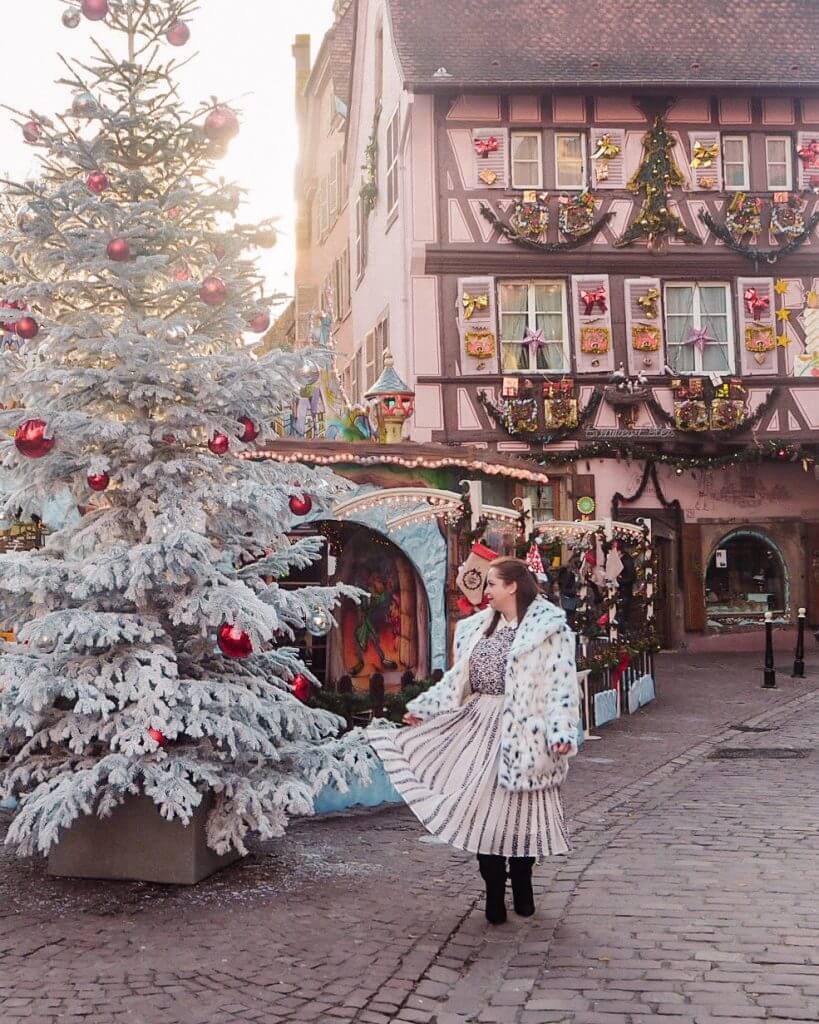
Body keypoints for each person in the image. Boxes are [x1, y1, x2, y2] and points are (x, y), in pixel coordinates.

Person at [368, 558, 580, 925]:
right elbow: (456, 680)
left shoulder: (550, 629)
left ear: (513, 586)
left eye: (493, 584)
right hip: (478, 725)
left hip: (526, 729)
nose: (487, 592)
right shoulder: (474, 629)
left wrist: (561, 733)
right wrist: (427, 709)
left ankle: (524, 883)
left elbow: (561, 685)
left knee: (521, 812)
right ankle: (494, 893)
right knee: (481, 810)